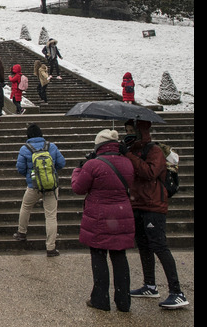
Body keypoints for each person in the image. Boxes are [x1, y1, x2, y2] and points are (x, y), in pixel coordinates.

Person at [124, 119, 189, 309]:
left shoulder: (154, 150)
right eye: (126, 130)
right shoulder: (132, 150)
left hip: (154, 205)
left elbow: (150, 172)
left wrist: (129, 155)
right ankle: (150, 285)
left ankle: (177, 292)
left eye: (130, 130)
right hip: (138, 204)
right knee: (144, 245)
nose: (127, 133)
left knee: (160, 246)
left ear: (140, 131)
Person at [71, 129, 135, 312]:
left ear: (99, 145)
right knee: (120, 257)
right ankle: (123, 301)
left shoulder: (93, 165)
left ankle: (100, 298)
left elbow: (78, 188)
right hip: (122, 215)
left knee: (99, 257)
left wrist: (78, 170)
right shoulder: (127, 163)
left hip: (99, 217)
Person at [14, 124, 67, 256]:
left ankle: (22, 232)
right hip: (51, 186)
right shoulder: (51, 146)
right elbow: (62, 163)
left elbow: (20, 168)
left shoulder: (25, 149)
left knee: (26, 207)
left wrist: (31, 176)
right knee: (50, 216)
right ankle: (50, 248)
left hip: (33, 186)